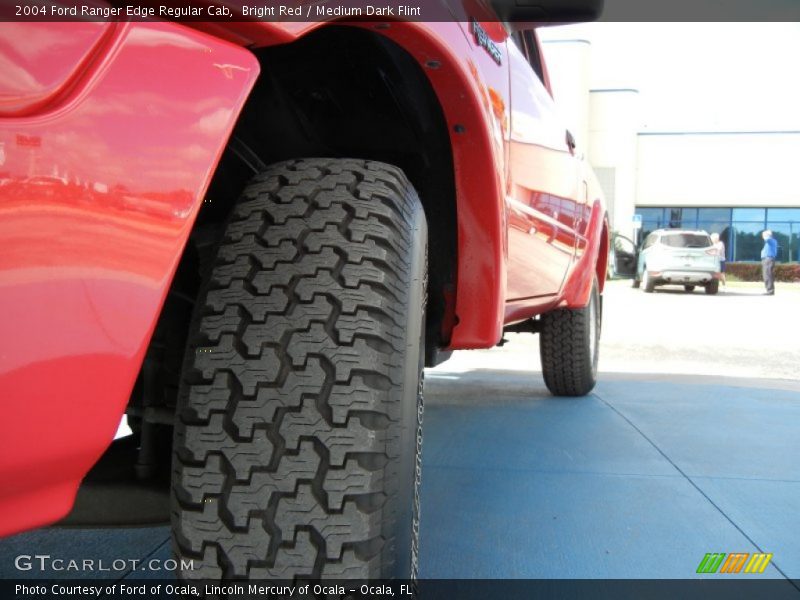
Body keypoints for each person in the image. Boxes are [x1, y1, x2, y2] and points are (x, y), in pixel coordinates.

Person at [760, 230, 778, 295]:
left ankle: (770, 291)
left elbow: (766, 239)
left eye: (764, 235)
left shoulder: (771, 240)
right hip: (767, 260)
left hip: (768, 259)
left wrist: (765, 234)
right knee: (767, 275)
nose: (762, 236)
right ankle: (769, 290)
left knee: (768, 275)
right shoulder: (770, 242)